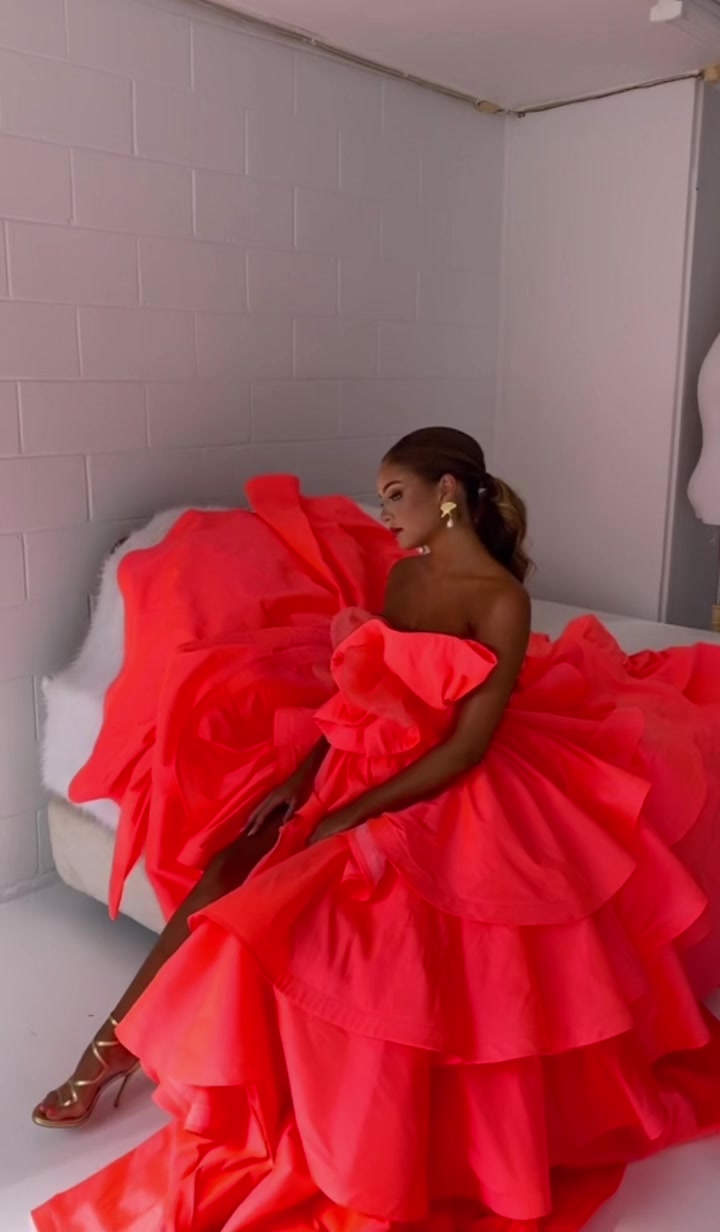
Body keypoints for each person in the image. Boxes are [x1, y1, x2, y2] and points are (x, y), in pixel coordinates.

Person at [32, 428, 720, 1231]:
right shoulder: (404, 577)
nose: (385, 514)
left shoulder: (501, 600)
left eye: (396, 495)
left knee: (305, 909)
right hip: (364, 753)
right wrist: (303, 779)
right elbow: (366, 689)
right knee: (230, 863)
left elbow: (467, 747)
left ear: (448, 494)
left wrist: (355, 814)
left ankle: (200, 1071)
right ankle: (108, 1052)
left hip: (447, 779)